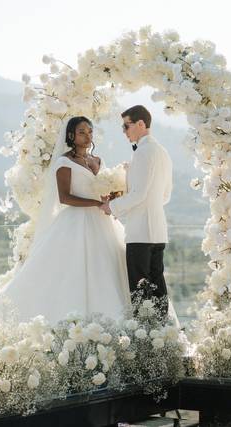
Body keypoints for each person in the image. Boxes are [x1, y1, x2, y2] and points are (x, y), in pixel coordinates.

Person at [0, 116, 131, 323]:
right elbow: (65, 197)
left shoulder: (97, 160)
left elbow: (102, 190)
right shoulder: (64, 162)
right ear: (71, 135)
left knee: (108, 268)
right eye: (82, 132)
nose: (87, 135)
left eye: (90, 131)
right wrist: (94, 203)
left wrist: (111, 196)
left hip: (102, 220)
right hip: (76, 220)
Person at [100, 105, 173, 318]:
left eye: (126, 126)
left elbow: (139, 194)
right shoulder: (162, 152)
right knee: (158, 286)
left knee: (140, 290)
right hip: (158, 231)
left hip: (140, 232)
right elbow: (165, 195)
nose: (124, 131)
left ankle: (145, 339)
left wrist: (110, 207)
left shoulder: (143, 152)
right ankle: (160, 334)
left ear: (141, 124)